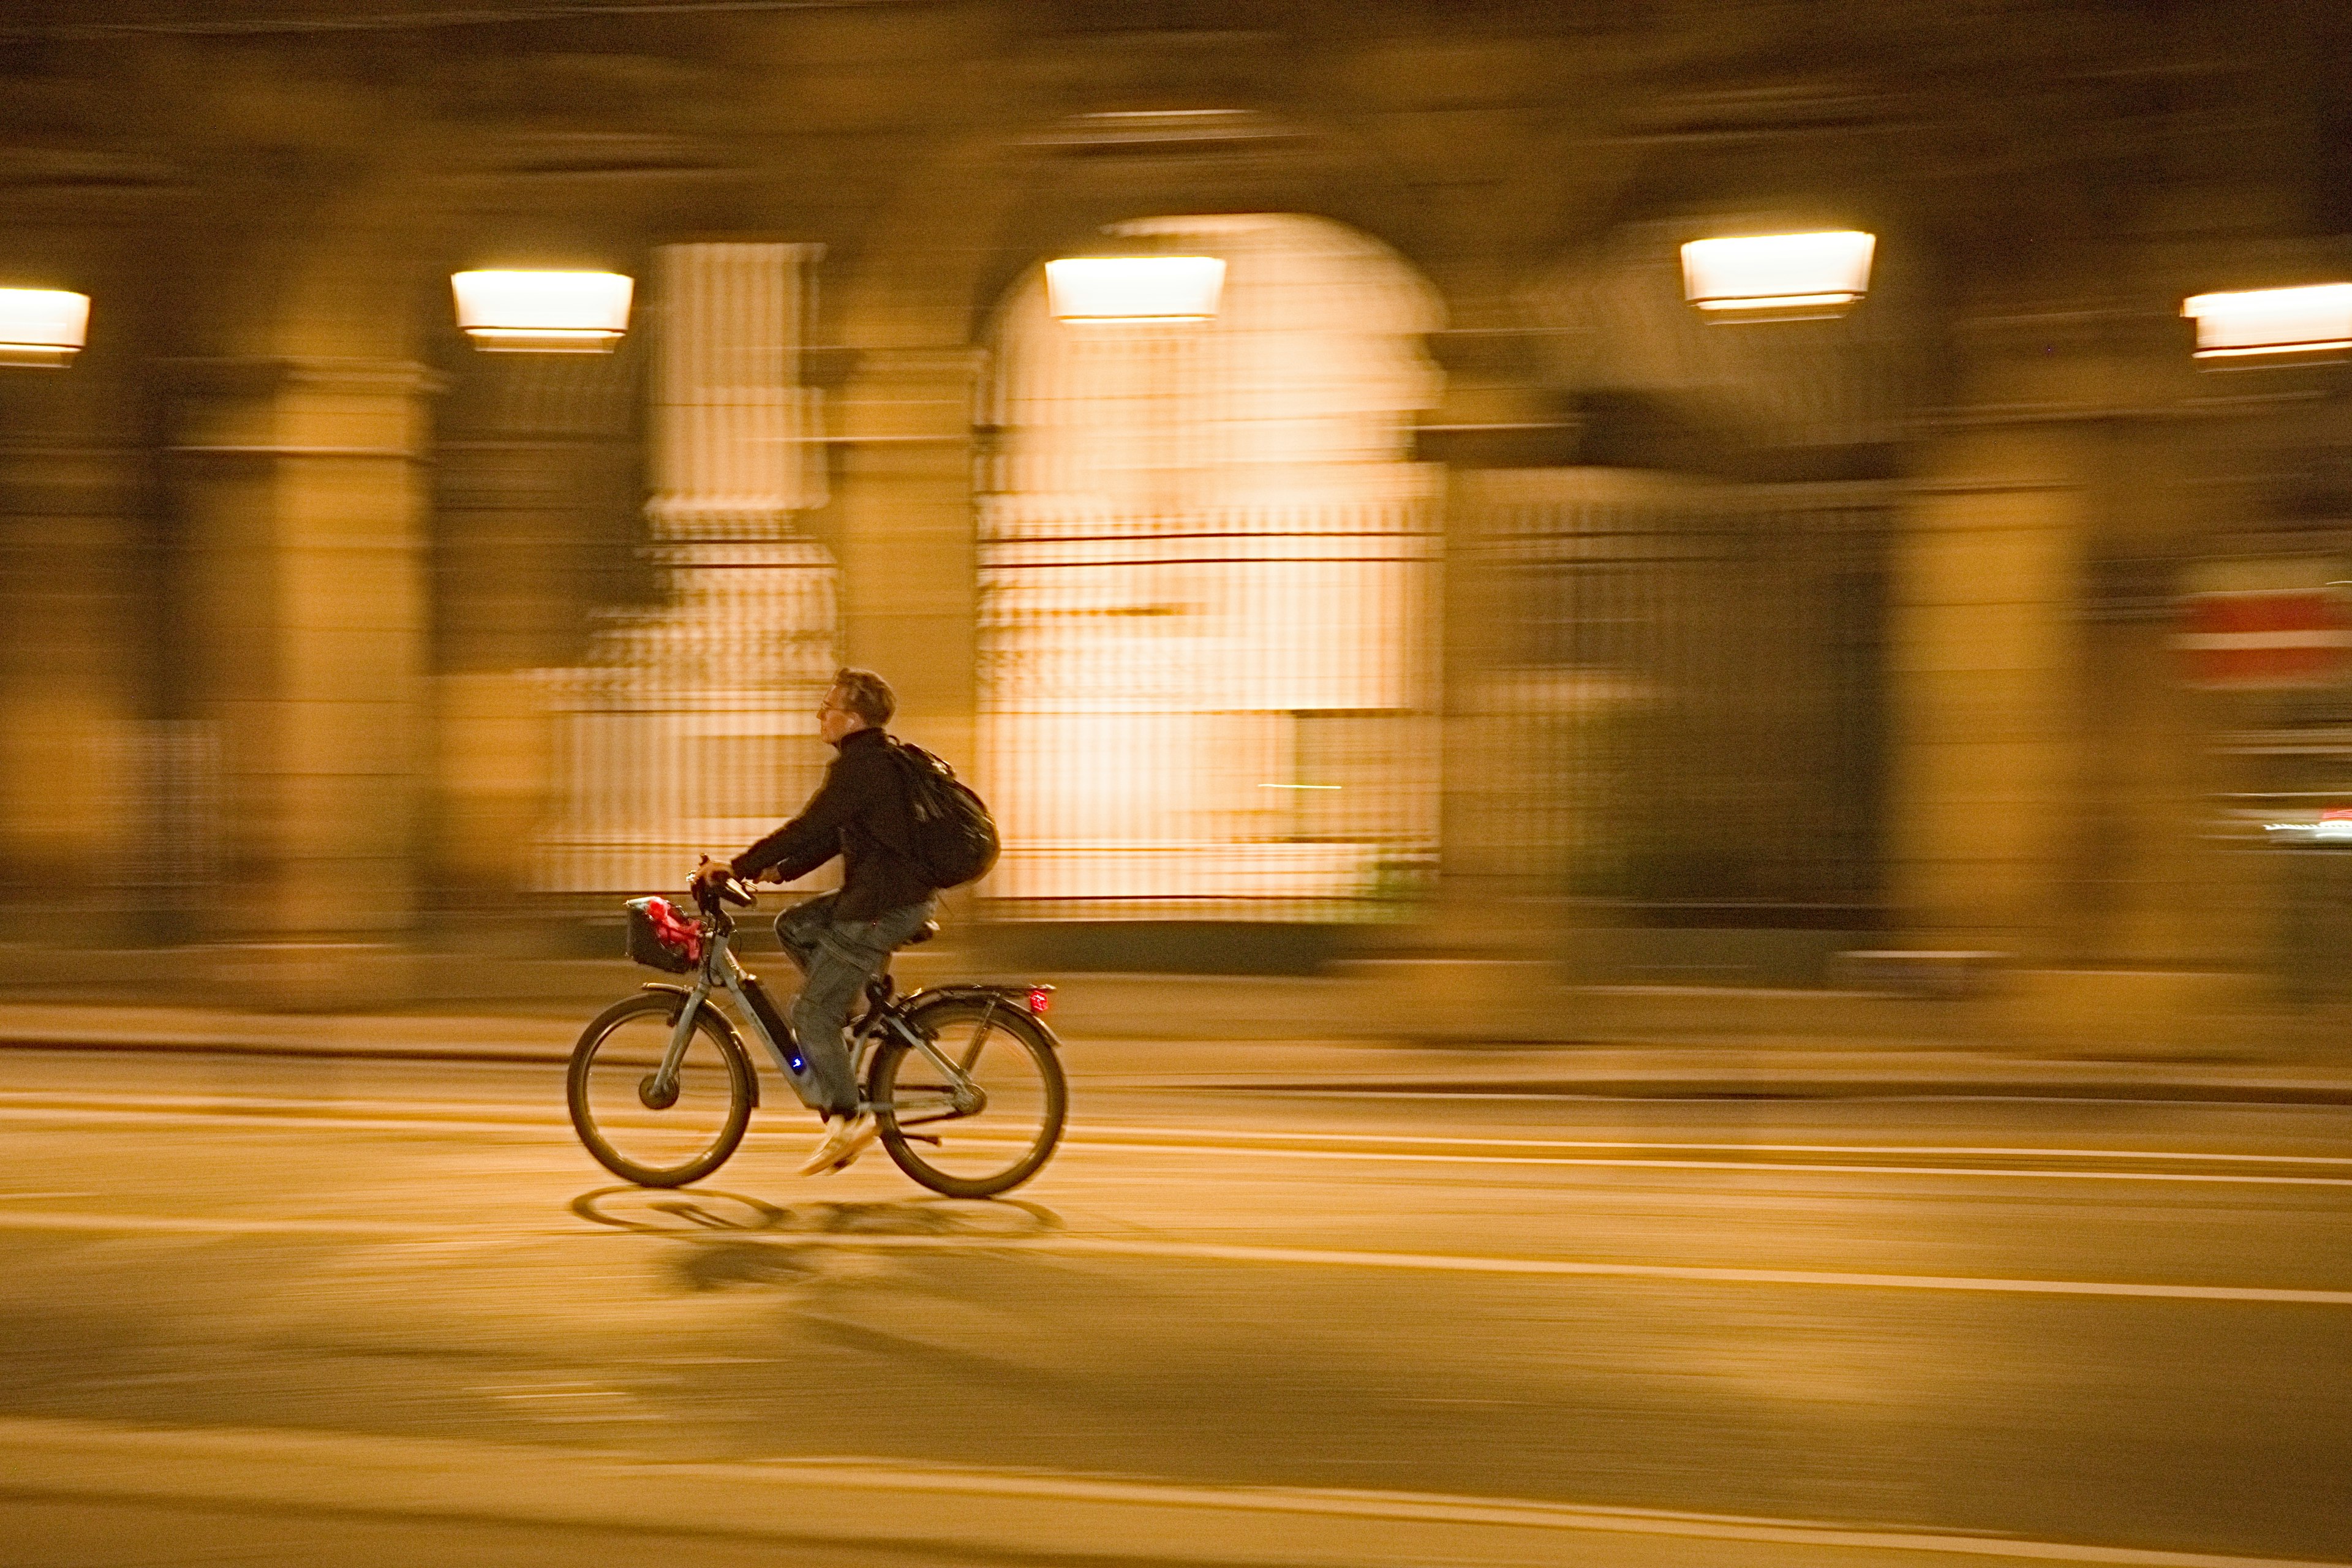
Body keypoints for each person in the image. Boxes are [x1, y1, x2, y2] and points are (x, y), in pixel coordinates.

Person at [695, 666, 937, 1176]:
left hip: (878, 910)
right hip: (885, 900)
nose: (819, 714)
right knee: (795, 927)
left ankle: (846, 1121)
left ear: (851, 718)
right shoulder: (873, 763)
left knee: (810, 1015)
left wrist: (734, 866)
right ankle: (843, 1015)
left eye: (827, 707)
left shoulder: (861, 768)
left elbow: (810, 824)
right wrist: (773, 871)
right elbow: (831, 836)